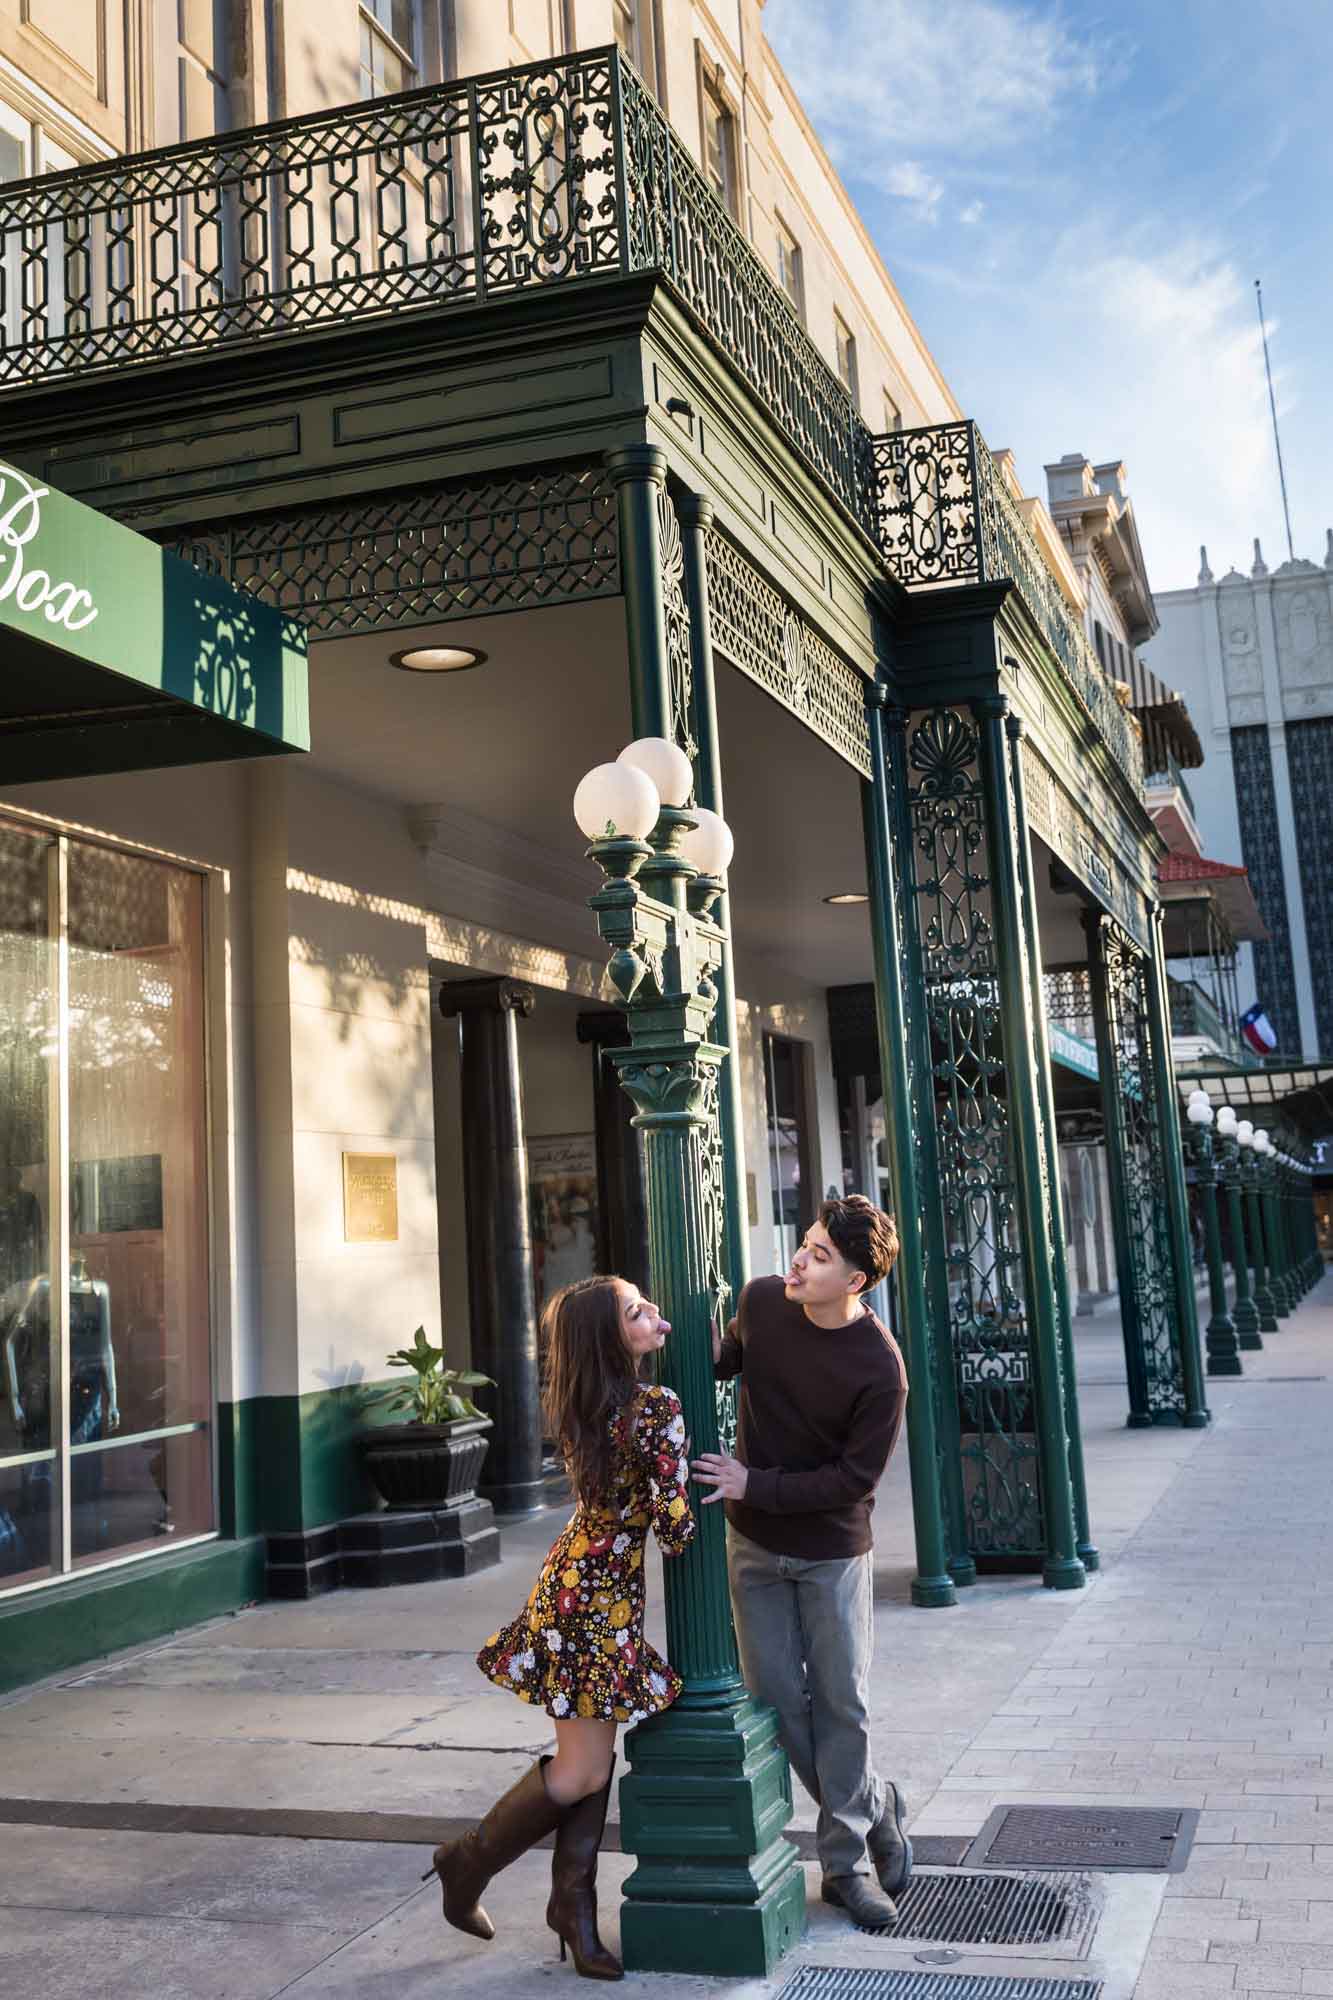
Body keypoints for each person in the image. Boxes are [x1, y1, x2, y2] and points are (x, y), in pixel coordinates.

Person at [425, 1275, 696, 1981]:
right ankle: (465, 1862)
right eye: (638, 1313)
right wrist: (714, 1486)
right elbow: (674, 1528)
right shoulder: (653, 1406)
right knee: (580, 1771)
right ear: (612, 1339)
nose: (655, 1315)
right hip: (593, 1608)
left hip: (577, 1592)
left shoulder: (587, 1403)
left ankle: (571, 1908)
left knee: (593, 1763)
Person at [693, 1193, 910, 1931]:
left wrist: (757, 1482)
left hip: (831, 1554)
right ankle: (876, 1804)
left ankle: (845, 1866)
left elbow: (854, 1480)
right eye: (805, 1243)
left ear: (854, 1281)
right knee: (782, 1708)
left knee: (842, 1703)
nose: (799, 1260)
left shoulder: (880, 1369)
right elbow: (719, 1362)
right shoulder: (761, 1303)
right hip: (752, 1544)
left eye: (819, 1257)